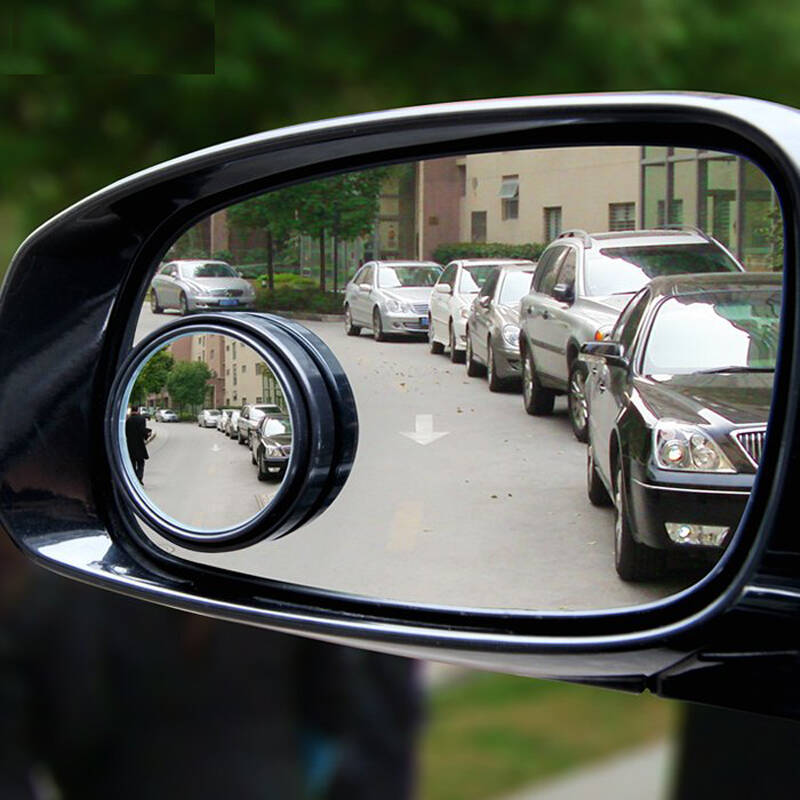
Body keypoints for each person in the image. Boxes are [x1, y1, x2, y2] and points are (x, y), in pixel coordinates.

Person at [125, 407, 150, 484]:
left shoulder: (128, 420)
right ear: (138, 411)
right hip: (139, 444)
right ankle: (139, 476)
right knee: (141, 462)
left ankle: (134, 477)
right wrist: (147, 435)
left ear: (132, 411)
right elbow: (142, 431)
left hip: (130, 445)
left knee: (132, 463)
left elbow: (126, 432)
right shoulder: (141, 419)